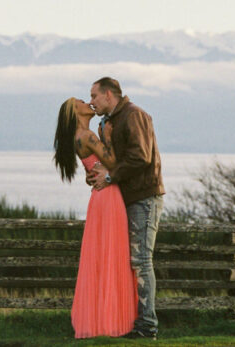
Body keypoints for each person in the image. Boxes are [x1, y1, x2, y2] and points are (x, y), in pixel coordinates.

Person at [53, 97, 138, 339]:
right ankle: (113, 320)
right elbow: (112, 162)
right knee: (113, 254)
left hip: (99, 197)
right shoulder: (88, 136)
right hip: (108, 196)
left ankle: (101, 318)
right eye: (81, 101)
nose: (87, 102)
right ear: (74, 111)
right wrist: (109, 138)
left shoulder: (80, 137)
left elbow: (98, 166)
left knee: (102, 257)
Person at [88, 77, 164, 340]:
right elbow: (117, 160)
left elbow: (141, 156)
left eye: (95, 96)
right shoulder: (110, 122)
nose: (91, 101)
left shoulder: (134, 115)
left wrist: (109, 177)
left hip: (144, 197)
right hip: (129, 197)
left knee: (142, 260)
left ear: (109, 95)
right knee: (132, 261)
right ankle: (134, 322)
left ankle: (147, 327)